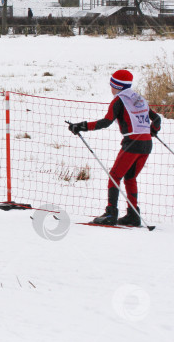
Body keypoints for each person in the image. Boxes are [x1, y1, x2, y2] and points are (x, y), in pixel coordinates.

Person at [67, 70, 162, 226]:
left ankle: (111, 214)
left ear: (117, 86)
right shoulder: (139, 98)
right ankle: (133, 215)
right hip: (146, 144)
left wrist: (81, 126)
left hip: (131, 142)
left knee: (114, 176)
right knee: (130, 177)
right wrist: (153, 130)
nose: (111, 88)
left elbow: (106, 122)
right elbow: (156, 118)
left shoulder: (118, 101)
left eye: (112, 85)